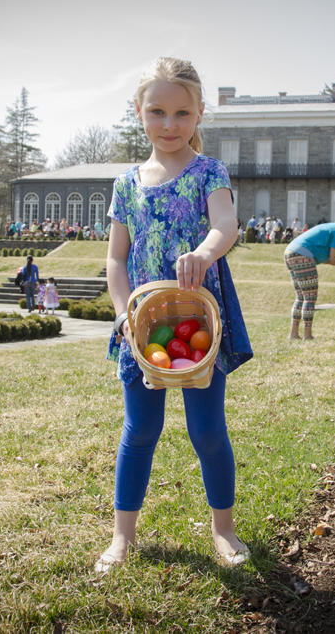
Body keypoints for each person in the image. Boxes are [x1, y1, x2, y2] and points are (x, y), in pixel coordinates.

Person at [99, 56, 253, 574]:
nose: (169, 125)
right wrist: (124, 315)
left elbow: (225, 224)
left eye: (182, 114)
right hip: (142, 327)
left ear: (200, 114)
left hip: (199, 325)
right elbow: (116, 259)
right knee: (139, 430)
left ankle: (224, 529)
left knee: (208, 431)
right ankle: (122, 537)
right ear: (138, 113)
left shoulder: (210, 172)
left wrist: (205, 254)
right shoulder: (125, 183)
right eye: (158, 112)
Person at [283, 213, 335, 340]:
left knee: (301, 297)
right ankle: (307, 335)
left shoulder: (333, 228)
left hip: (290, 252)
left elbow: (328, 259)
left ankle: (294, 334)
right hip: (302, 255)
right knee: (310, 297)